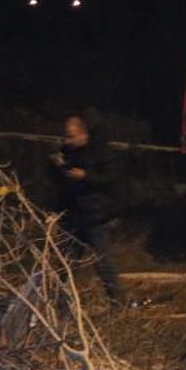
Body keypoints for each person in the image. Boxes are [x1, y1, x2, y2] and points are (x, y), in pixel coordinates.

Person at [48, 115, 124, 303]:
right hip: (73, 214)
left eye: (71, 136)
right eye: (66, 137)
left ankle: (118, 302)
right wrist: (57, 167)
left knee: (102, 263)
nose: (67, 141)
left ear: (83, 134)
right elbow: (59, 182)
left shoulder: (101, 152)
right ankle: (62, 307)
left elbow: (110, 179)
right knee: (66, 265)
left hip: (96, 215)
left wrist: (86, 176)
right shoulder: (66, 152)